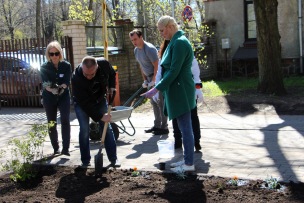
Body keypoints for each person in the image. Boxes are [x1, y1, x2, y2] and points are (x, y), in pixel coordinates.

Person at [142, 15, 196, 173]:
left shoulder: (179, 43)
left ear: (170, 27)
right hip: (177, 90)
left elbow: (173, 71)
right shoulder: (174, 42)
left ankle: (189, 163)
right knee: (182, 127)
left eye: (162, 30)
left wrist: (156, 88)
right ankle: (187, 160)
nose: (161, 34)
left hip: (182, 90)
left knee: (186, 128)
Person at [154, 40, 203, 151]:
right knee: (175, 116)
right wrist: (156, 89)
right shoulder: (164, 58)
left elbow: (195, 72)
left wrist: (198, 88)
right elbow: (159, 74)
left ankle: (196, 141)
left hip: (187, 90)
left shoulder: (187, 55)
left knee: (192, 116)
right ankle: (178, 140)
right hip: (172, 91)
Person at [72, 56, 120, 167]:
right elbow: (85, 104)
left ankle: (113, 159)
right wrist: (100, 116)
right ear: (82, 68)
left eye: (92, 74)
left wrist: (112, 86)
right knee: (84, 130)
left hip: (99, 99)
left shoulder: (103, 64)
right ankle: (85, 161)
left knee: (106, 128)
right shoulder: (76, 78)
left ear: (97, 67)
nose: (89, 77)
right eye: (86, 74)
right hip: (82, 103)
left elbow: (112, 74)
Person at [129, 29, 169, 135]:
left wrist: (154, 80)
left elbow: (156, 65)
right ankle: (157, 125)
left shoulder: (149, 49)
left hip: (157, 77)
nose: (134, 42)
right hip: (149, 79)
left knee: (160, 102)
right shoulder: (136, 50)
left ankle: (164, 127)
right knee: (153, 103)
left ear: (141, 37)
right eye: (132, 40)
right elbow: (142, 66)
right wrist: (145, 80)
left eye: (136, 39)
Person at [40, 40, 71, 156]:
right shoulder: (44, 66)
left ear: (60, 53)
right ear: (48, 54)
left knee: (65, 120)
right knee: (52, 122)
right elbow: (45, 84)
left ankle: (66, 149)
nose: (54, 56)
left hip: (63, 96)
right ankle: (56, 148)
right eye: (51, 54)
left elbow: (67, 81)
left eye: (56, 53)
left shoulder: (66, 65)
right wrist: (52, 89)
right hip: (49, 97)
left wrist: (62, 87)